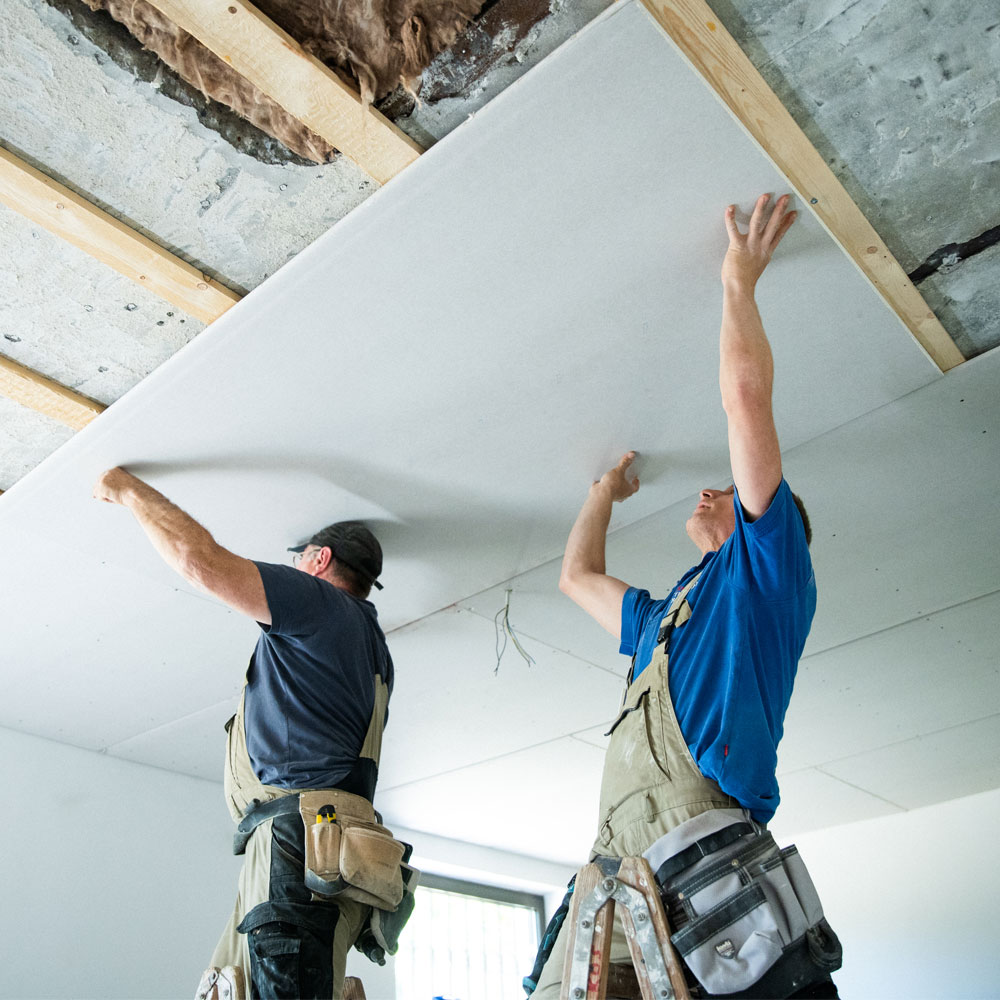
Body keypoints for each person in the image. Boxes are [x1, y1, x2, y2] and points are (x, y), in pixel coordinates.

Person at [528, 194, 839, 998]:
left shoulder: (766, 578)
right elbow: (576, 578)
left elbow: (746, 403)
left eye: (728, 489)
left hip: (706, 857)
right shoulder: (667, 618)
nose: (712, 490)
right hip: (620, 879)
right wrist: (605, 490)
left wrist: (738, 280)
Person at [92, 468, 394, 1000]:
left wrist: (129, 490)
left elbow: (200, 563)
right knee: (237, 987)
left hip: (299, 844)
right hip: (323, 852)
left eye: (302, 558)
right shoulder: (373, 649)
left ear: (319, 561)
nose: (297, 566)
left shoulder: (320, 605)